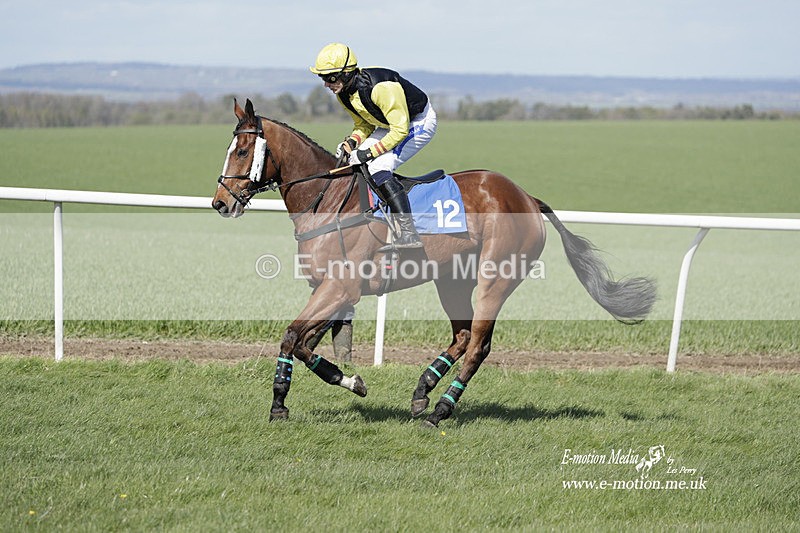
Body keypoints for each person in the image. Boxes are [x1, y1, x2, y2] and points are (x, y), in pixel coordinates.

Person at [310, 42, 437, 251]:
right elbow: (364, 124)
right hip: (388, 124)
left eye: (330, 77)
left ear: (346, 73)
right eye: (322, 78)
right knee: (353, 160)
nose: (326, 84)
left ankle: (408, 233)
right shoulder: (343, 94)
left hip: (417, 122)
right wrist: (352, 142)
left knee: (378, 166)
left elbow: (399, 131)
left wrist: (369, 152)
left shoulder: (381, 88)